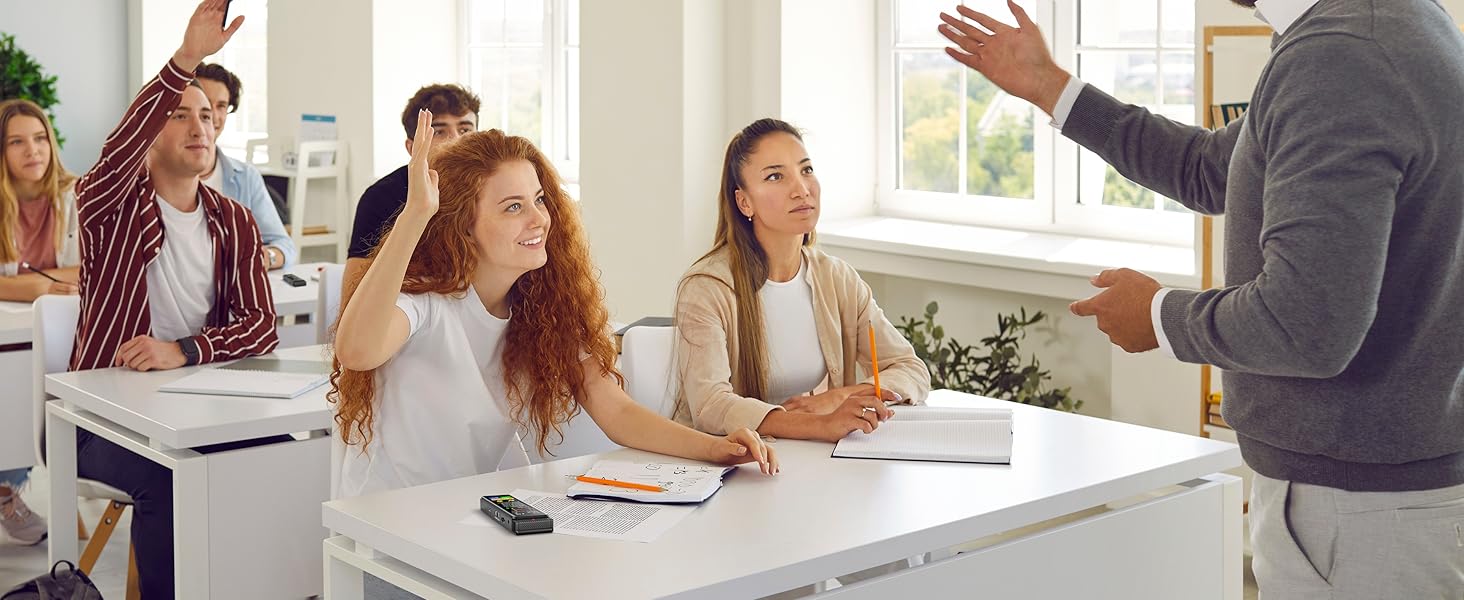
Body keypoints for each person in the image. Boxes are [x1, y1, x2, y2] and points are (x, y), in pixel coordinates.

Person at [938, 0, 1464, 596]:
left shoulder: (1343, 56)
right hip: (1371, 494)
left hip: (1357, 509)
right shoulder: (1394, 22)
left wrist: (1159, 317)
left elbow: (1305, 324)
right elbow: (1211, 167)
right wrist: (1050, 86)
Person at [330, 113, 775, 500]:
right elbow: (356, 351)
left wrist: (714, 447)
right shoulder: (425, 302)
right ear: (463, 227)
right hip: (389, 526)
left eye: (539, 200)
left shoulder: (542, 307)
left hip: (469, 513)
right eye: (512, 207)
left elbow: (616, 410)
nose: (538, 218)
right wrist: (414, 216)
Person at [69, 2, 281, 595]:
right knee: (170, 478)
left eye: (209, 116)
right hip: (99, 421)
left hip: (198, 406)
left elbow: (261, 327)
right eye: (180, 115)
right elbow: (117, 148)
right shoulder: (108, 205)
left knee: (282, 455)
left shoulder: (234, 219)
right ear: (148, 133)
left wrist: (183, 350)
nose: (200, 127)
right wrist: (188, 58)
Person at [673, 118, 931, 442]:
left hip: (811, 463)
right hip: (728, 468)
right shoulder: (706, 288)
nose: (801, 189)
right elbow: (710, 406)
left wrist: (838, 398)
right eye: (776, 176)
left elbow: (910, 368)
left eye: (806, 170)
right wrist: (818, 425)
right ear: (744, 202)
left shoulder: (837, 279)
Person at [342, 84, 480, 302]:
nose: (456, 140)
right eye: (439, 131)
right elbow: (353, 294)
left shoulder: (494, 189)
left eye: (465, 129)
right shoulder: (380, 197)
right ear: (411, 147)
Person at [194, 62, 298, 270]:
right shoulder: (161, 176)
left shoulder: (246, 178)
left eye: (221, 106)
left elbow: (285, 246)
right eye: (205, 103)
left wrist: (265, 257)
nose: (213, 115)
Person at [0, 98, 79, 302]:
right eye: (16, 141)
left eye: (40, 138)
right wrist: (37, 288)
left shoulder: (79, 196)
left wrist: (17, 285)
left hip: (66, 320)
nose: (32, 150)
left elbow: (94, 271)